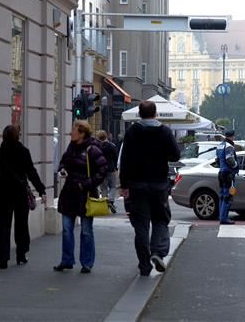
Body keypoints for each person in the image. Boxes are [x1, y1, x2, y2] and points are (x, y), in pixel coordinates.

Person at [120, 101, 180, 276]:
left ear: (139, 113)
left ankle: (144, 265)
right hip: (159, 184)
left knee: (141, 225)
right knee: (161, 220)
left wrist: (124, 185)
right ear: (155, 113)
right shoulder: (165, 132)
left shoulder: (132, 132)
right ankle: (157, 252)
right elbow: (175, 154)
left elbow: (125, 160)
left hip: (137, 185)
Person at [54, 120, 107, 274]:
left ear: (82, 133)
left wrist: (86, 184)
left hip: (85, 195)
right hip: (69, 194)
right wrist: (62, 170)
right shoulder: (71, 147)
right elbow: (63, 163)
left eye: (74, 130)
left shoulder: (93, 149)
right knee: (66, 228)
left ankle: (87, 262)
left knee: (86, 230)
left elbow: (102, 170)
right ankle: (67, 260)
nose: (71, 132)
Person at [0, 125, 47, 269]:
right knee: (21, 225)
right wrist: (41, 190)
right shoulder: (23, 152)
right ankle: (21, 254)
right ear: (18, 136)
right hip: (19, 194)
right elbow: (31, 172)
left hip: (3, 193)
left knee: (3, 226)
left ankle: (3, 259)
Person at [216, 130, 239, 225]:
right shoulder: (229, 146)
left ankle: (220, 215)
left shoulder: (220, 145)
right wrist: (236, 165)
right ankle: (224, 218)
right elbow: (229, 159)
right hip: (227, 174)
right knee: (227, 196)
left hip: (221, 173)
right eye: (233, 136)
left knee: (222, 195)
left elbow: (217, 159)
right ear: (231, 137)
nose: (234, 138)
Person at [96, 130, 118, 213]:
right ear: (106, 136)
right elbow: (115, 157)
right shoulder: (112, 146)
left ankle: (105, 204)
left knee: (103, 187)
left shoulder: (96, 146)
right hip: (110, 168)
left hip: (100, 169)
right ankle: (111, 200)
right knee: (112, 186)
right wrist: (116, 167)